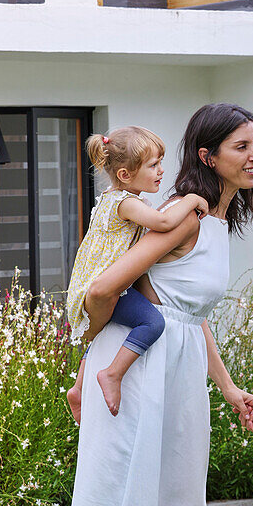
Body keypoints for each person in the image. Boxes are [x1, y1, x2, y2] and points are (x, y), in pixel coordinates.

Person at [60, 104, 253, 506]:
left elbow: (192, 315)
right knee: (126, 501)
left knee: (182, 503)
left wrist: (230, 388)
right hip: (133, 369)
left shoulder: (217, 224)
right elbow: (104, 288)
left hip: (177, 368)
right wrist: (97, 355)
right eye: (240, 146)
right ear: (207, 157)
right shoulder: (179, 218)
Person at [66, 126, 209, 420]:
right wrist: (192, 200)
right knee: (153, 323)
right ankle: (113, 374)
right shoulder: (127, 203)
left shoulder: (110, 198)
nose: (161, 171)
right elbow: (163, 223)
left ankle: (79, 387)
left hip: (92, 284)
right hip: (105, 286)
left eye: (160, 162)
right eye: (153, 165)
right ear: (125, 175)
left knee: (102, 334)